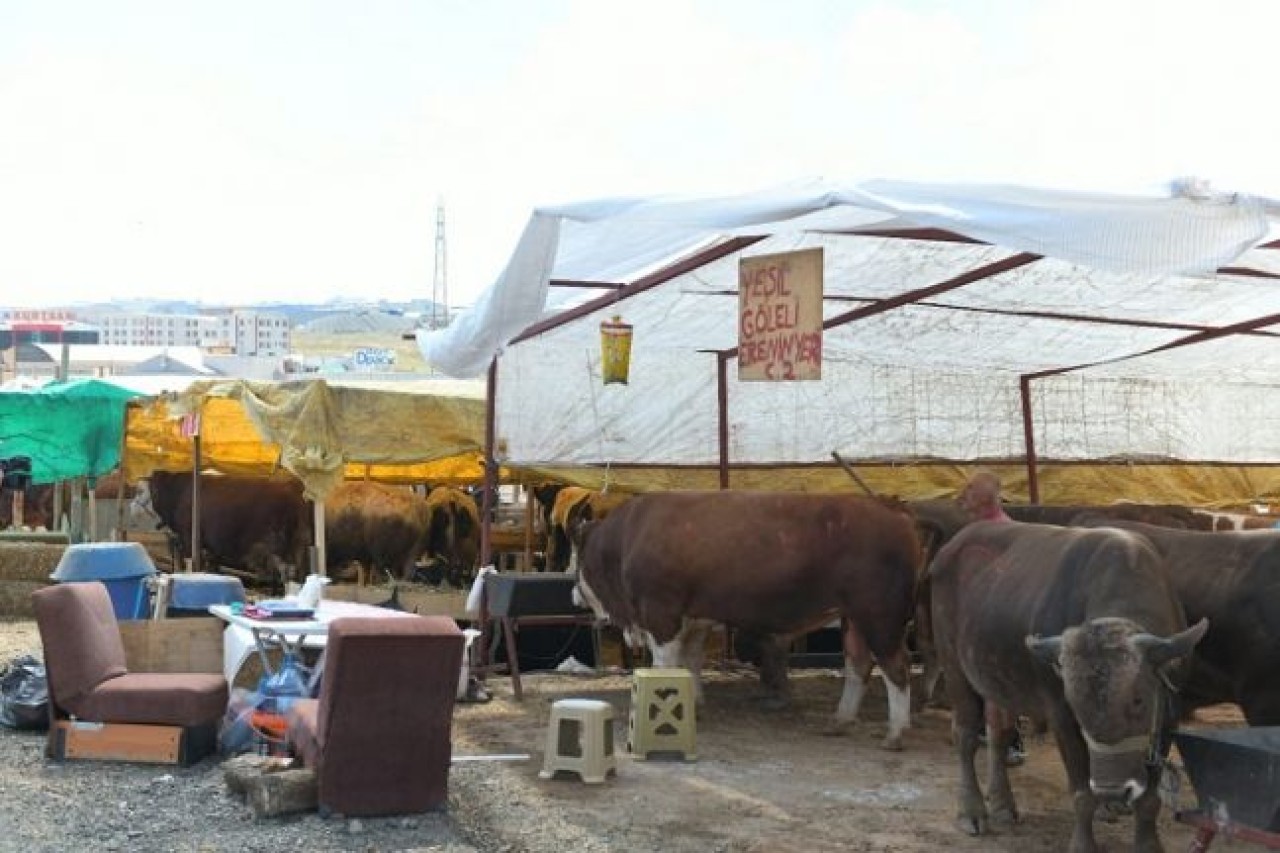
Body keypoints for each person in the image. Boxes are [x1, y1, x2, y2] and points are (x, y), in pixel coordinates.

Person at [958, 471, 1026, 766]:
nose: (965, 495)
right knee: (982, 683)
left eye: (971, 490)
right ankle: (991, 735)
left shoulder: (1005, 531)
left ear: (986, 497)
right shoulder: (974, 530)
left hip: (999, 616)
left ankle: (1010, 742)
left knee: (998, 686)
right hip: (976, 615)